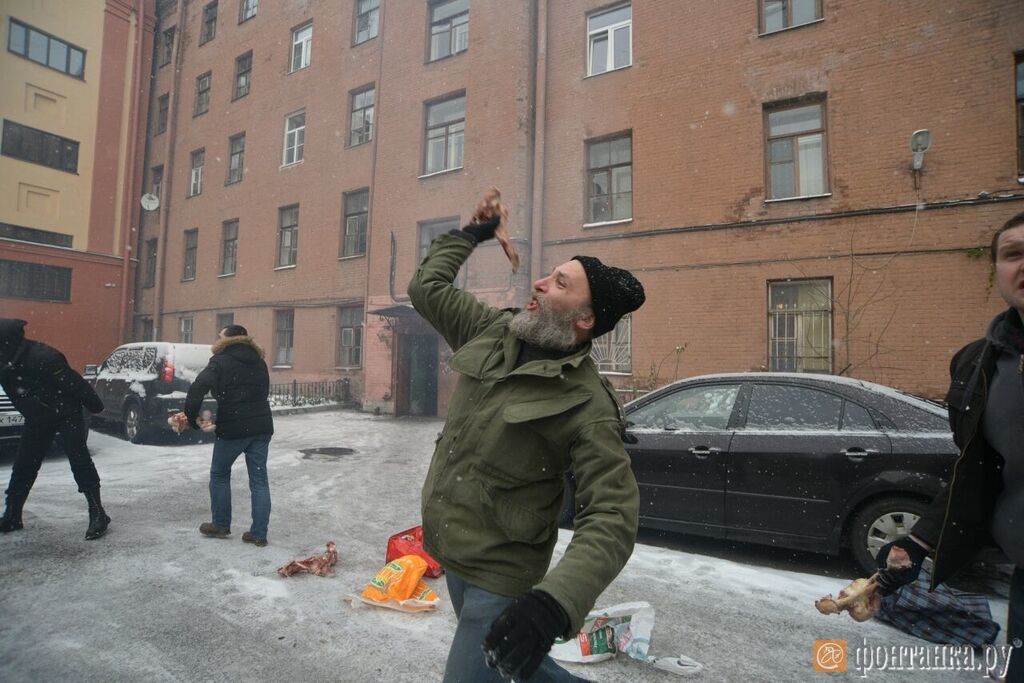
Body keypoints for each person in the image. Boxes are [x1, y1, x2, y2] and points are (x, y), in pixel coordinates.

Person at [408, 210, 645, 682]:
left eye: (559, 283)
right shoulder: (494, 332)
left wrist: (554, 602)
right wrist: (471, 235)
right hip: (451, 549)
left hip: (502, 572)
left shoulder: (587, 402)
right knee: (513, 663)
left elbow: (613, 516)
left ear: (586, 318)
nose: (538, 283)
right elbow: (426, 288)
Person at [876, 210, 1024, 682]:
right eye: (1013, 254)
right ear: (997, 270)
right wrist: (918, 542)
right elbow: (980, 471)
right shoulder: (981, 365)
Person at [0, 318, 109, 539]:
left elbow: (75, 384)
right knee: (24, 464)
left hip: (66, 413)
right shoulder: (5, 362)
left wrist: (95, 406)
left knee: (79, 460)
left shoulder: (44, 357)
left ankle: (98, 513)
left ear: (8, 343)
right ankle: (12, 514)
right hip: (37, 416)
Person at [179, 324, 274, 547]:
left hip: (233, 428)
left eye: (219, 336)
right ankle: (259, 533)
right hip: (261, 427)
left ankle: (221, 524)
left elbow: (197, 387)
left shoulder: (220, 360)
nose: (216, 339)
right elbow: (261, 392)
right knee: (259, 481)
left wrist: (191, 417)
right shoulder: (259, 361)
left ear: (228, 339)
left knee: (220, 475)